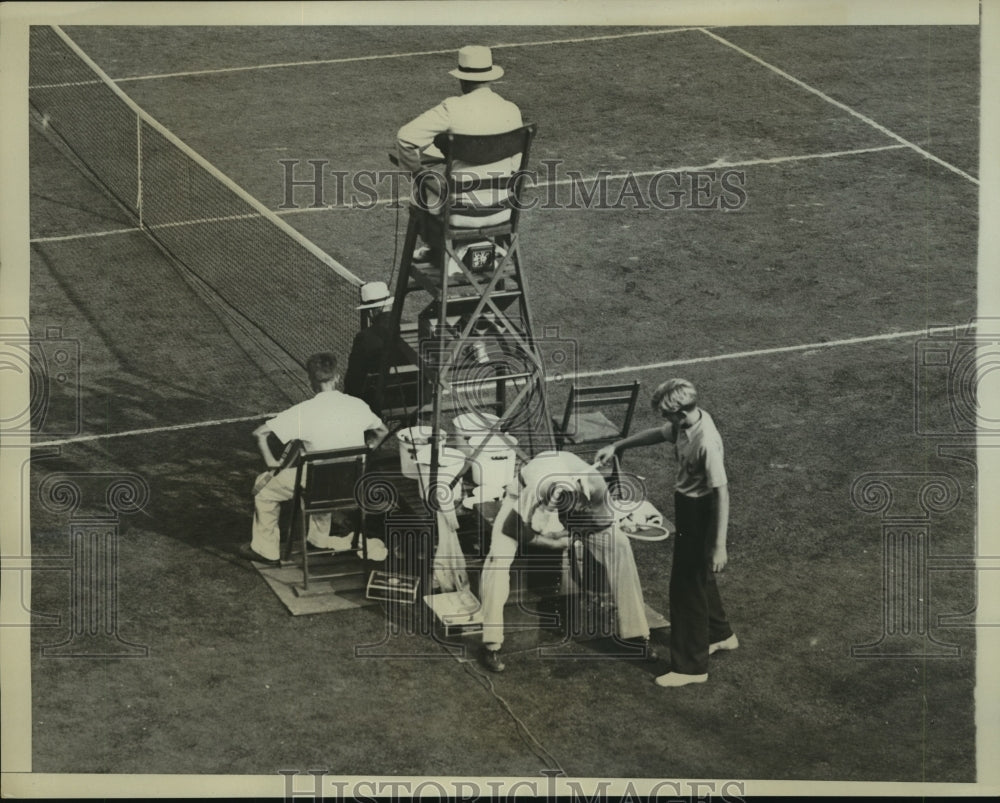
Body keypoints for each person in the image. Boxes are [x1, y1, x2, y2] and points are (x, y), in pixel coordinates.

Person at [596, 379, 738, 688]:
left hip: (701, 512)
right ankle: (720, 634)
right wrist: (618, 446)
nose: (665, 421)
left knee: (685, 588)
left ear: (681, 412)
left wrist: (719, 545)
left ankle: (691, 668)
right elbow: (658, 435)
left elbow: (722, 494)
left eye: (667, 415)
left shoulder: (705, 441)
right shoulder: (687, 423)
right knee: (699, 577)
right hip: (688, 506)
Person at [479, 450, 653, 673]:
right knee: (498, 560)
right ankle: (492, 644)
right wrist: (550, 542)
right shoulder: (537, 490)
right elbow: (512, 528)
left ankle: (637, 634)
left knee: (619, 545)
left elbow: (600, 524)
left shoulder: (596, 486)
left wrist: (574, 534)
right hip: (519, 499)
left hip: (566, 501)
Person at [241, 352, 389, 565]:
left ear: (310, 381)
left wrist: (271, 462)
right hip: (351, 484)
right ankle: (317, 538)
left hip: (317, 486)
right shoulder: (357, 405)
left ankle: (266, 551)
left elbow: (259, 433)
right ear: (337, 377)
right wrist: (368, 450)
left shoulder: (303, 412)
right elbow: (382, 431)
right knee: (325, 476)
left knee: (263, 489)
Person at [396, 45, 523, 257]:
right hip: (503, 212)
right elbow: (514, 165)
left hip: (459, 216)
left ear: (462, 79)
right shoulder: (511, 109)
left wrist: (419, 175)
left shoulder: (451, 108)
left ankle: (442, 251)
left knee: (421, 192)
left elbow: (405, 138)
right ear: (491, 77)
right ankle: (474, 249)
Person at [343, 281, 394, 411]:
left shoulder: (364, 338)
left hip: (377, 399)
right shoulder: (409, 328)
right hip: (410, 395)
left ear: (372, 311)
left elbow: (353, 379)